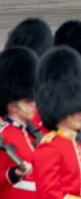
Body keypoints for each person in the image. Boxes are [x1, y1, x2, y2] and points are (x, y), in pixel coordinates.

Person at [32, 47, 81, 199]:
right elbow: (48, 193)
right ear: (63, 111)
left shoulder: (76, 145)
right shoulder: (49, 148)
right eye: (75, 111)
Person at [0, 47, 37, 198]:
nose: (33, 105)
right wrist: (12, 174)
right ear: (12, 106)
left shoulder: (32, 135)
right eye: (28, 102)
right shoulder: (4, 135)